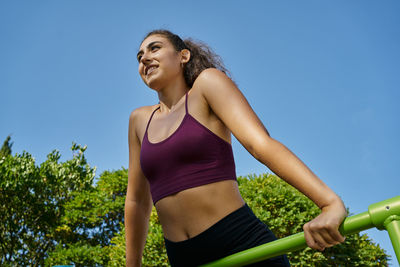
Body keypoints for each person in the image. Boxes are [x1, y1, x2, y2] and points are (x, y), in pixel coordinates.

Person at [125, 29, 347, 267]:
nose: (144, 58)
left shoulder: (207, 85)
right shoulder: (139, 120)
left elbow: (259, 144)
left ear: (183, 56)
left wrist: (329, 203)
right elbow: (137, 201)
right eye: (139, 57)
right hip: (184, 259)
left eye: (154, 48)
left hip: (240, 243)